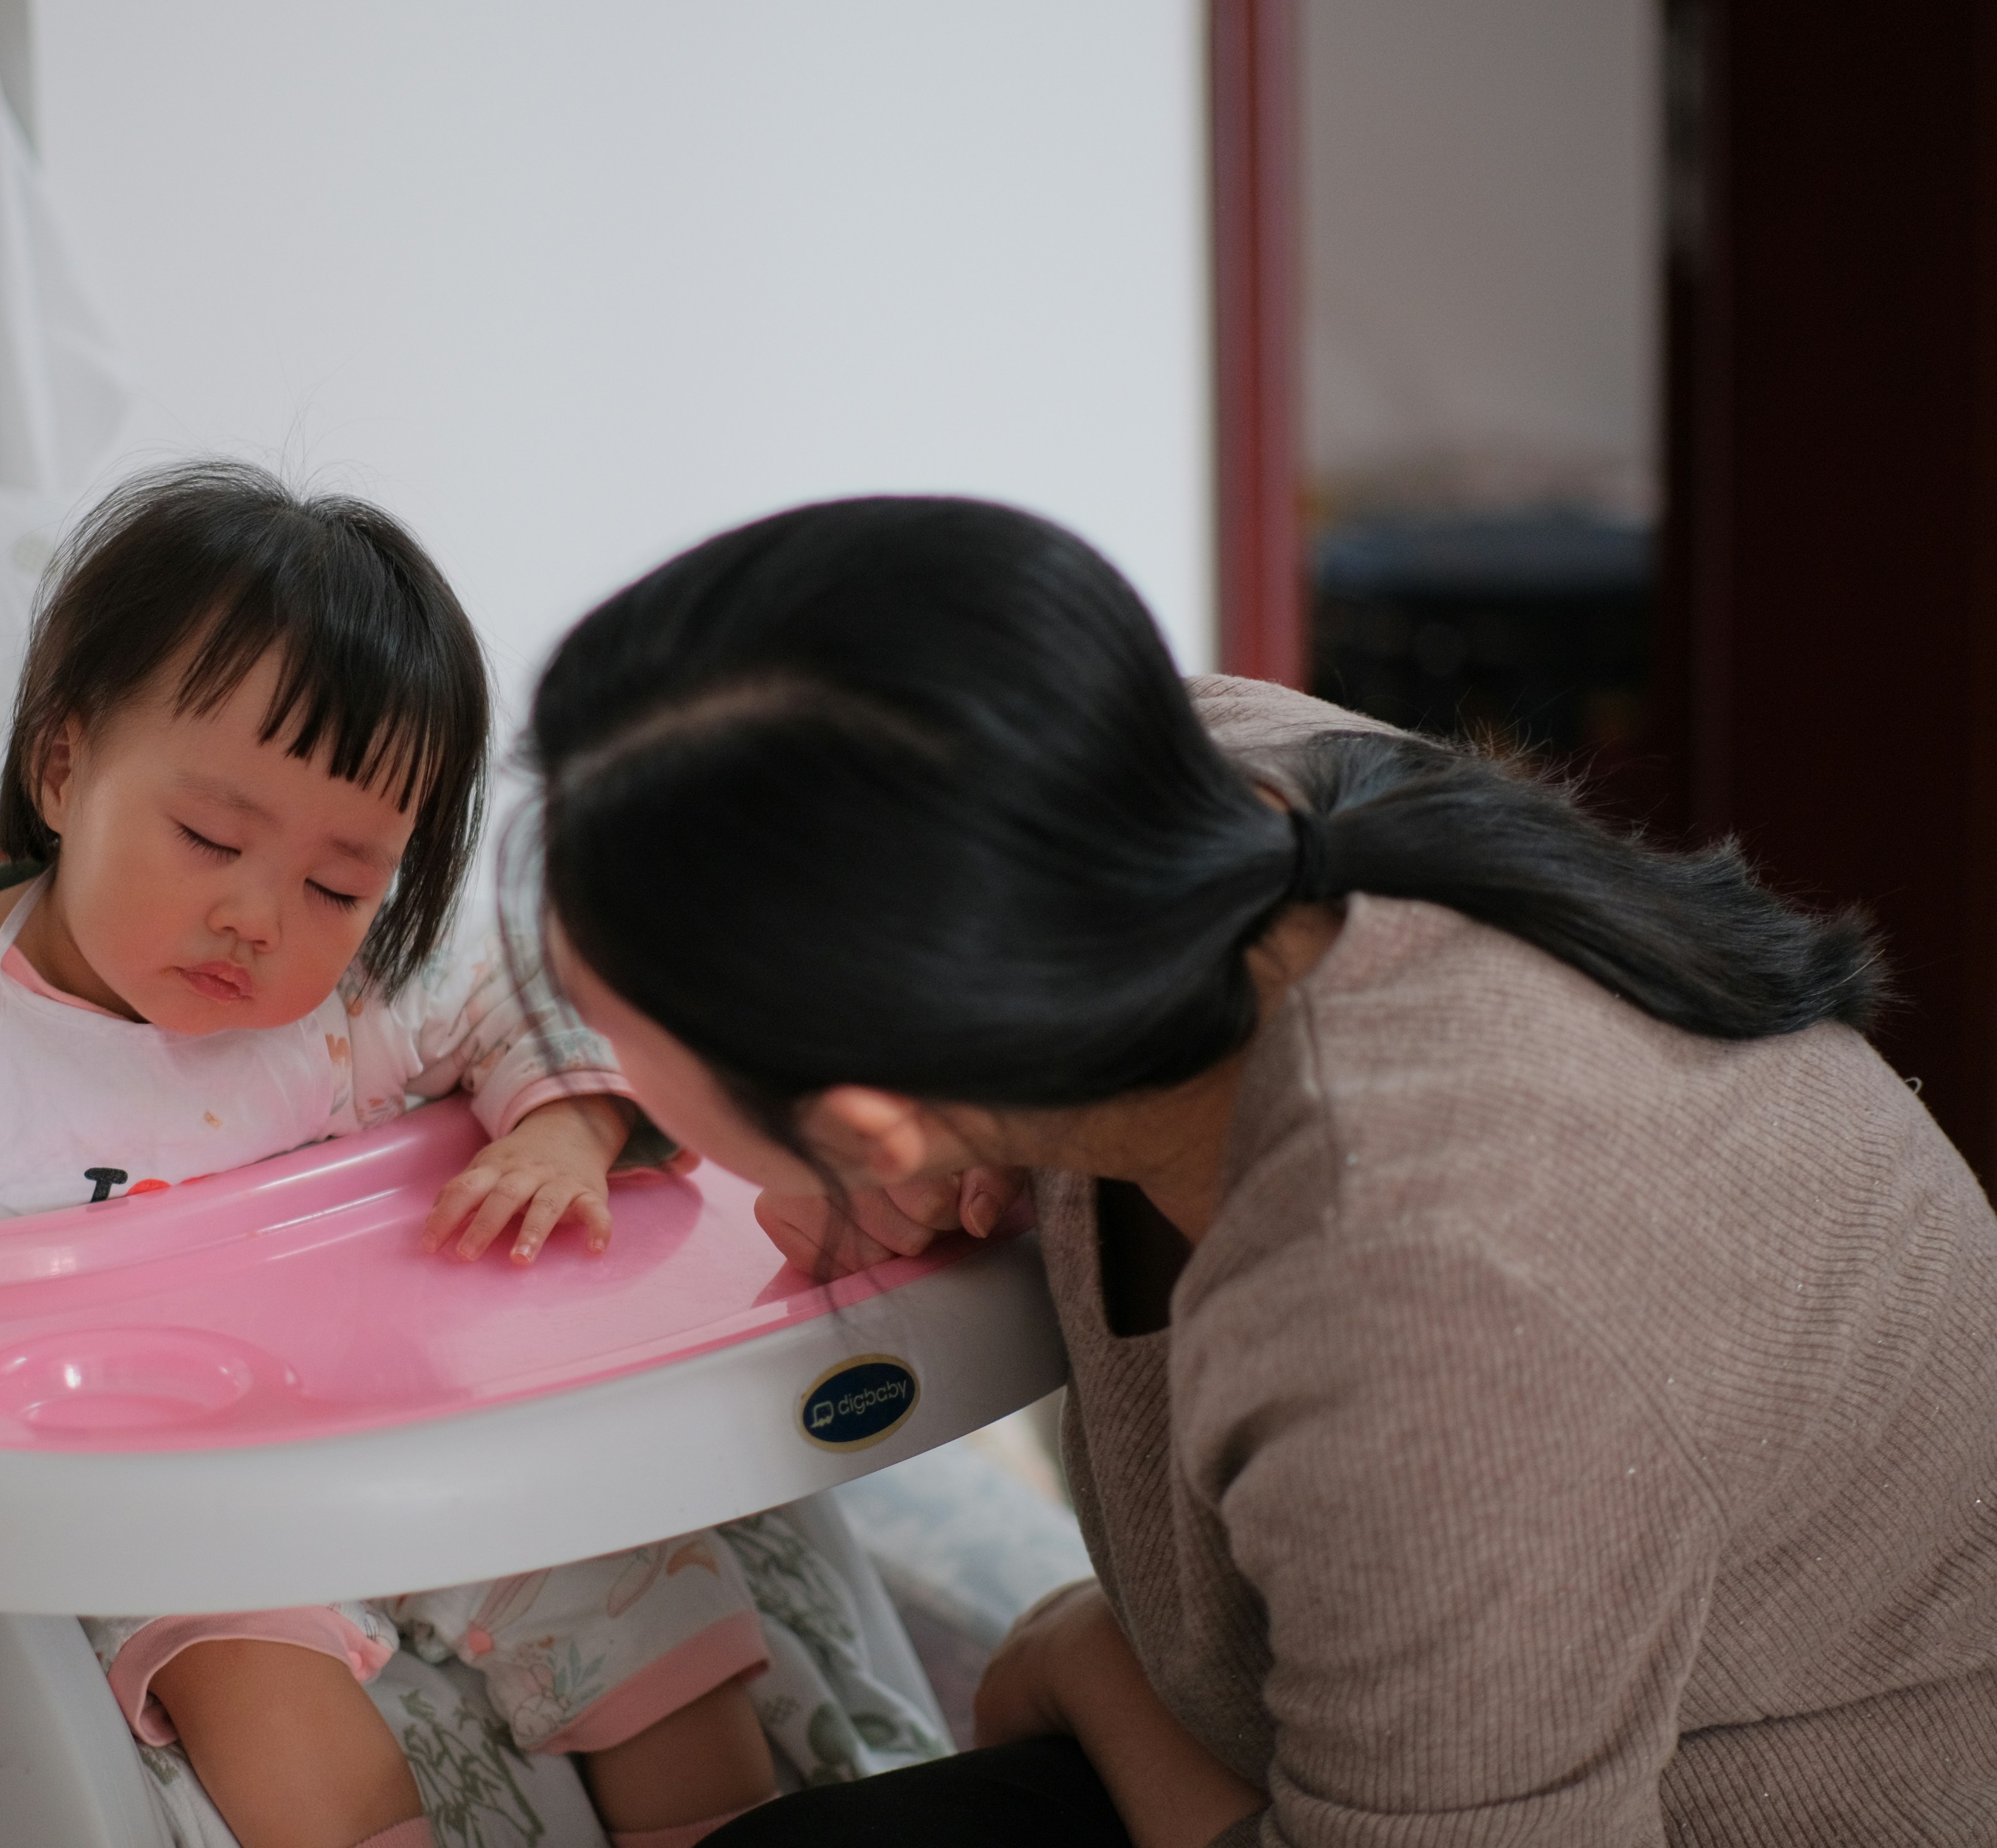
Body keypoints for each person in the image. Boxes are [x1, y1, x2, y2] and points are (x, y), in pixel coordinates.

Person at [523, 495, 1997, 1847]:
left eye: (607, 1029)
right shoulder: (1201, 792)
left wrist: (1086, 1661)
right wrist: (1000, 1132)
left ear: (866, 1115)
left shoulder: (1438, 1299)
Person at [0, 465, 793, 1848]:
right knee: (262, 1699)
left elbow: (527, 989)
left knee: (647, 1587)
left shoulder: (359, 995)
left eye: (338, 883)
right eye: (210, 837)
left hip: (404, 1420)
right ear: (64, 768)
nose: (260, 916)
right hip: (152, 1505)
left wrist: (567, 1120)